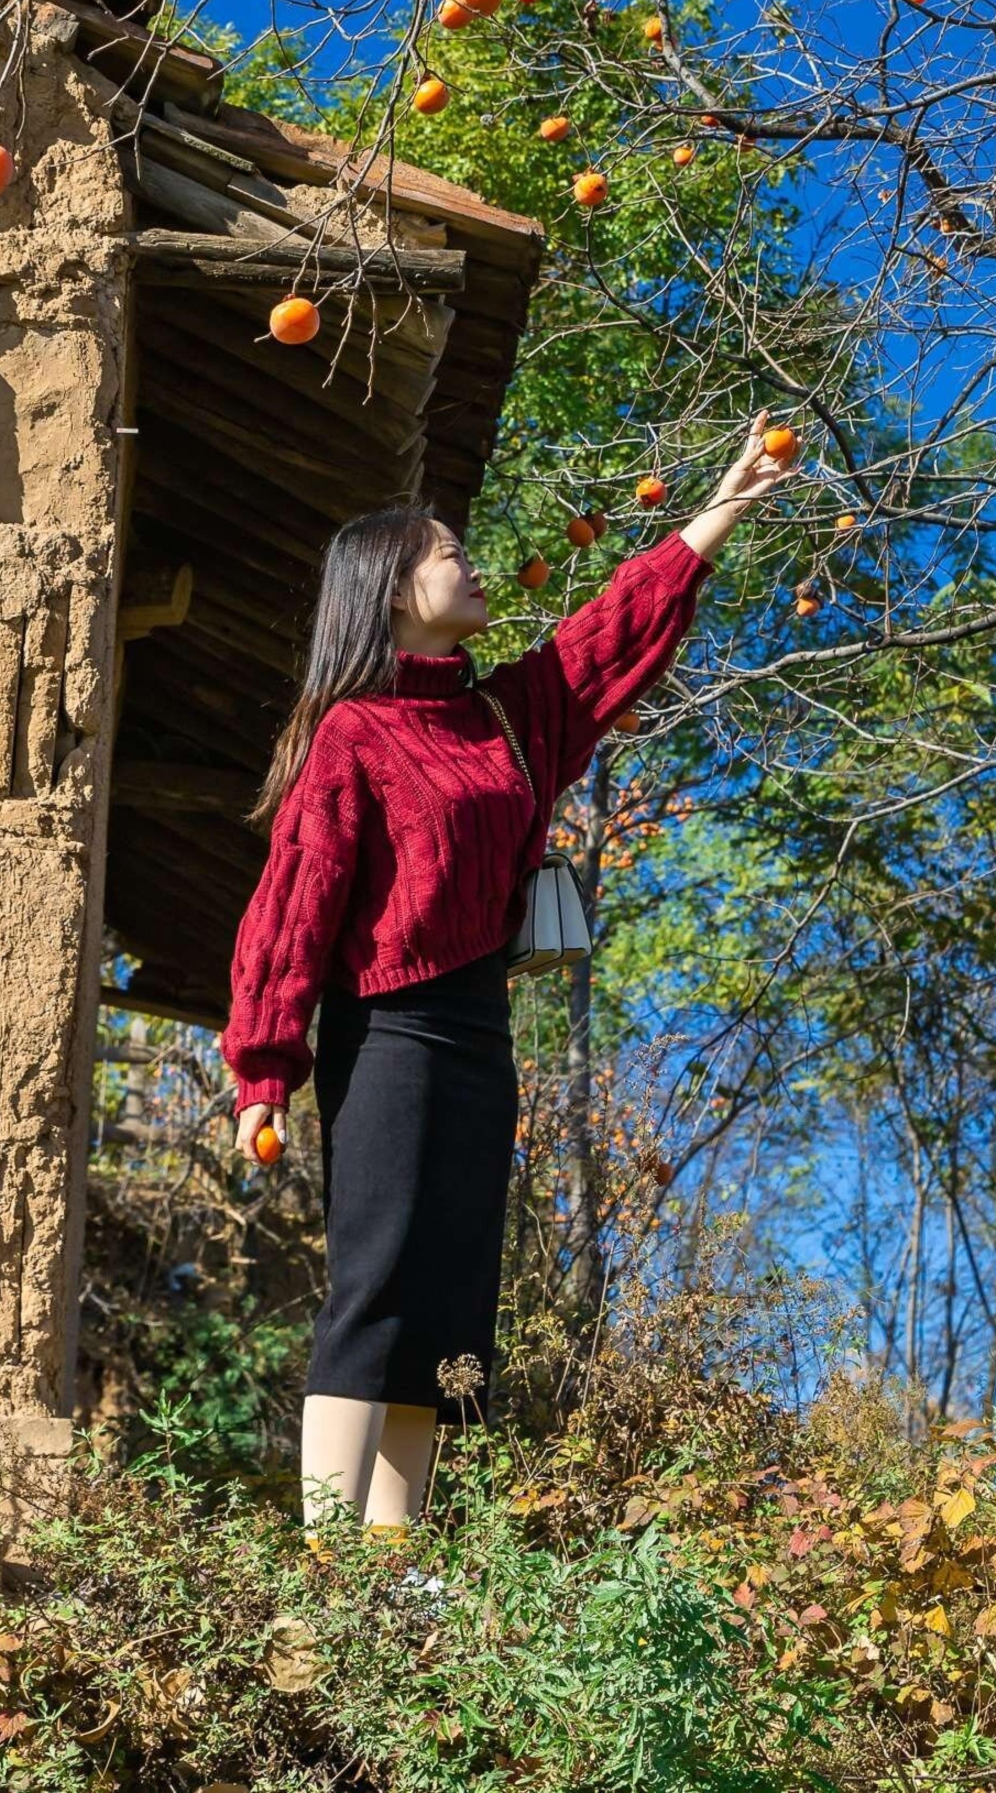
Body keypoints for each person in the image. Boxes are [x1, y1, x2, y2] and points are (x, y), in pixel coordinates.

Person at [221, 413, 797, 1532]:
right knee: (375, 1290)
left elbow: (610, 633)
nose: (470, 564)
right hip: (386, 1031)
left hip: (479, 1037)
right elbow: (291, 906)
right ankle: (328, 1557)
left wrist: (721, 507)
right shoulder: (352, 735)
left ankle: (386, 1580)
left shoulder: (502, 715)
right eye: (446, 552)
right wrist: (261, 1070)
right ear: (390, 589)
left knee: (447, 1313)